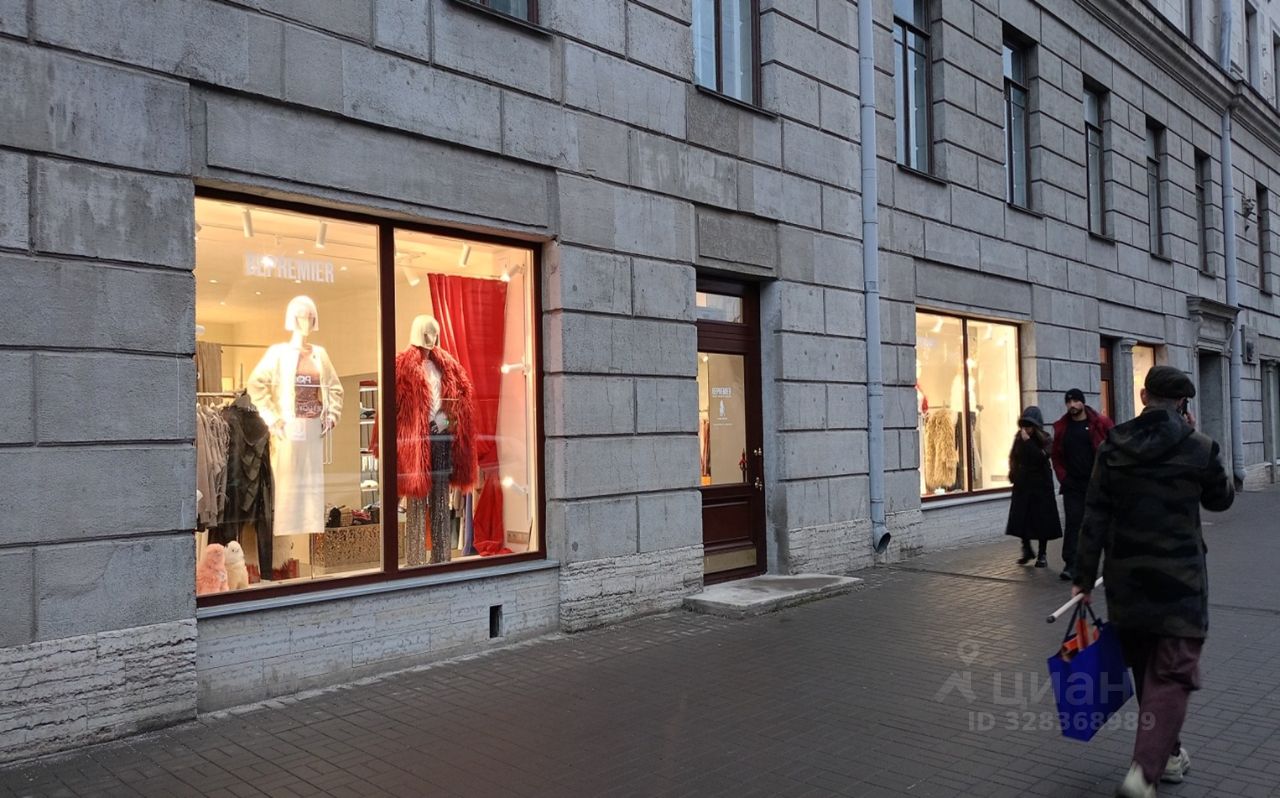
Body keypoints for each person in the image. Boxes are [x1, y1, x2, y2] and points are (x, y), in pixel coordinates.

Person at [1071, 366, 1234, 798]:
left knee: (1148, 672)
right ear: (1182, 403)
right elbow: (1221, 499)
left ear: (1143, 396)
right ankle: (1143, 774)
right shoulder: (1197, 446)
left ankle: (1170, 754)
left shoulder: (1112, 445)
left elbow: (1094, 515)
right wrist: (1200, 443)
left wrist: (1082, 578)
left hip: (1127, 580)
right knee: (1173, 674)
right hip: (1180, 582)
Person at [1051, 388, 1114, 581]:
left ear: (1083, 402)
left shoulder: (1099, 423)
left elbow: (1113, 447)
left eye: (1075, 401)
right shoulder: (1063, 427)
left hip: (1097, 484)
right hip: (1073, 485)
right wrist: (1063, 477)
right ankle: (1071, 564)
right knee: (1073, 523)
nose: (1072, 405)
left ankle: (1109, 564)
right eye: (1068, 402)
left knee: (1101, 523)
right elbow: (1056, 456)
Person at [1004, 406, 1062, 567]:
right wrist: (1013, 472)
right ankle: (1027, 549)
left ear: (1035, 426)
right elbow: (1013, 456)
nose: (1026, 429)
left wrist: (1028, 442)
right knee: (1021, 517)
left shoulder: (1045, 439)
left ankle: (1042, 554)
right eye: (1023, 426)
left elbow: (1040, 457)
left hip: (1041, 485)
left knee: (1042, 519)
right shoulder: (1019, 438)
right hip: (1023, 483)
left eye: (1029, 426)